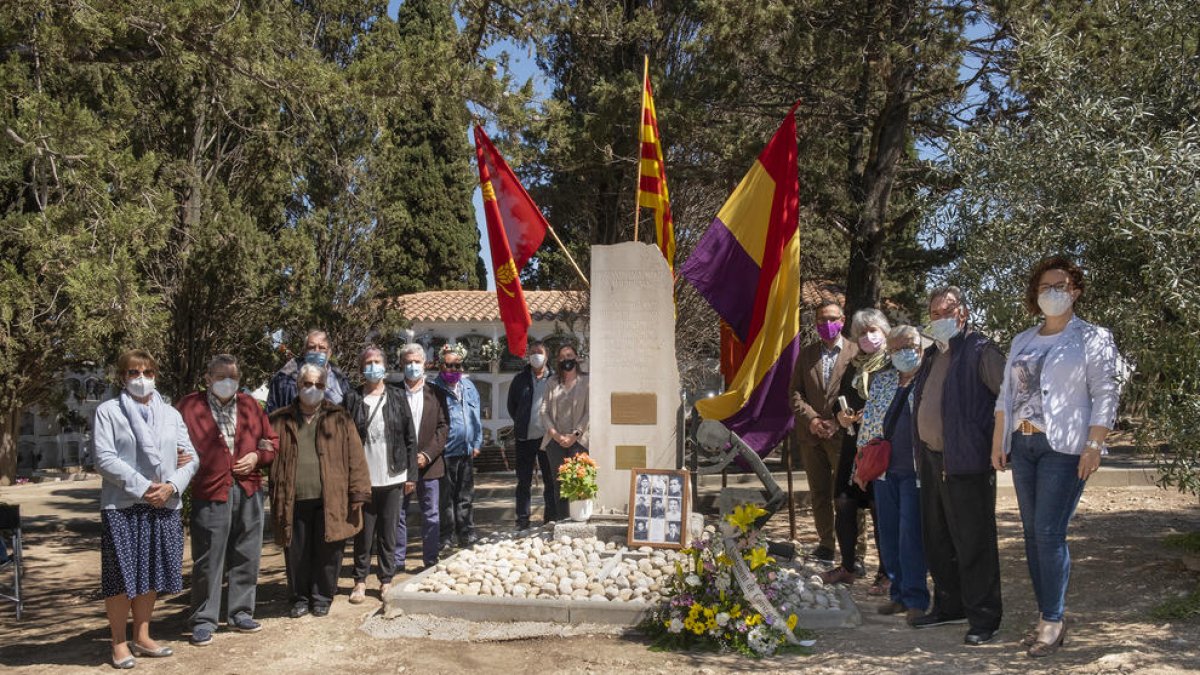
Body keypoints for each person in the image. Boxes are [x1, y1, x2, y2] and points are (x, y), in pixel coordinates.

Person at [992, 256, 1121, 657]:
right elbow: (1005, 396)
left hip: (1063, 448)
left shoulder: (1093, 337)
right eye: (1045, 287)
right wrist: (999, 440)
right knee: (1033, 535)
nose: (1052, 293)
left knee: (1048, 532)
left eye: (1060, 285)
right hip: (1024, 444)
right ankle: (1046, 615)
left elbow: (1106, 393)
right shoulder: (1022, 340)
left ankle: (1053, 619)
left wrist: (1095, 444)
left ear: (1075, 290)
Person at [910, 286, 1006, 646]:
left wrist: (996, 443)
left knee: (974, 541)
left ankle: (984, 618)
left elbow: (1008, 395)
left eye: (947, 310)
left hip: (967, 463)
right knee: (937, 538)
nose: (940, 318)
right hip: (933, 461)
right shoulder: (933, 355)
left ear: (962, 313)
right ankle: (950, 606)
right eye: (934, 313)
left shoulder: (981, 350)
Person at [93, 349, 199, 668]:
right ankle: (118, 642)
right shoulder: (108, 412)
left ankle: (143, 634)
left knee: (150, 572)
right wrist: (143, 486)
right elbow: (104, 458)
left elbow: (190, 456)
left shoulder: (171, 414)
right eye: (134, 373)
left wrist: (171, 486)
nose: (142, 379)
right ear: (122, 377)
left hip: (163, 503)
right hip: (124, 504)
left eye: (148, 373)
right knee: (122, 577)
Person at [177, 354, 278, 647]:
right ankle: (203, 619)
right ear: (208, 378)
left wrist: (257, 456)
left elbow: (271, 441)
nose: (227, 382)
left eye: (232, 377)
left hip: (248, 489)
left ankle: (240, 612)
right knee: (208, 559)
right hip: (210, 491)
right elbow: (172, 444)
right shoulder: (189, 406)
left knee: (247, 552)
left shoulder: (250, 405)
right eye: (221, 377)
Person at [268, 363, 371, 618]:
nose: (312, 389)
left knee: (329, 551)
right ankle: (300, 597)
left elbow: (356, 457)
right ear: (298, 385)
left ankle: (322, 595)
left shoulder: (340, 417)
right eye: (307, 383)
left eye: (318, 384)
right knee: (297, 551)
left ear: (325, 388)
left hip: (330, 497)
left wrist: (358, 492)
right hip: (293, 497)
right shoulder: (280, 419)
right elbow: (265, 454)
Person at [862, 326, 930, 625]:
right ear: (889, 352)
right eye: (897, 347)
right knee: (888, 536)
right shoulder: (882, 381)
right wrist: (859, 469)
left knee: (910, 536)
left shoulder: (929, 380)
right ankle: (898, 595)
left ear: (921, 347)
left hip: (917, 472)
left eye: (910, 345)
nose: (904, 351)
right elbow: (868, 425)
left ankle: (916, 598)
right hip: (883, 472)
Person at [343, 346, 418, 604]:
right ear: (362, 368)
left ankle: (386, 581)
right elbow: (345, 440)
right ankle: (360, 582)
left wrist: (412, 475)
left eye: (377, 361)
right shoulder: (351, 398)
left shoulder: (397, 397)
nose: (373, 366)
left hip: (394, 477)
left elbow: (410, 438)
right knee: (363, 534)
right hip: (364, 479)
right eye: (368, 362)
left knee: (389, 533)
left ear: (385, 366)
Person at [823, 308, 891, 587]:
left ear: (884, 332)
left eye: (873, 330)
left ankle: (887, 572)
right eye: (862, 332)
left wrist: (873, 414)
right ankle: (848, 566)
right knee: (844, 502)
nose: (868, 336)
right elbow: (840, 398)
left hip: (881, 447)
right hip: (853, 446)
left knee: (880, 508)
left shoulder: (892, 362)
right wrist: (841, 416)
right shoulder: (854, 365)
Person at [791, 299, 860, 563]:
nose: (826, 324)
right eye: (821, 320)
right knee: (819, 493)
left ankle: (855, 551)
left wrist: (835, 421)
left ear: (843, 320)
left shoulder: (855, 353)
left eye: (832, 319)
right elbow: (795, 393)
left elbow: (860, 393)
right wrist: (812, 420)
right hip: (811, 436)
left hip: (843, 434)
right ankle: (826, 544)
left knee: (848, 494)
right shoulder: (806, 354)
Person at [394, 344, 450, 571]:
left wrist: (426, 455)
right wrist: (406, 457)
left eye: (416, 361)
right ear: (401, 364)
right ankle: (397, 561)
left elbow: (443, 427)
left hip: (430, 465)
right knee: (398, 513)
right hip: (399, 465)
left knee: (431, 513)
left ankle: (430, 559)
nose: (412, 366)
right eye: (408, 362)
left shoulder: (437, 393)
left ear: (425, 363)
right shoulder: (393, 392)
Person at [431, 344, 482, 550]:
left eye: (457, 365)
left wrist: (477, 442)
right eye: (449, 365)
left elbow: (476, 416)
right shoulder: (433, 389)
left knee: (465, 496)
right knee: (445, 499)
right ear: (441, 366)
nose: (453, 369)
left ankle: (466, 533)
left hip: (466, 450)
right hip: (445, 453)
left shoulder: (469, 387)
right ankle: (446, 537)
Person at [506, 341, 557, 528]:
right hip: (524, 438)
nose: (536, 355)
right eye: (533, 352)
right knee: (523, 481)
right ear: (528, 356)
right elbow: (512, 406)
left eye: (540, 352)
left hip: (548, 439)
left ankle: (551, 517)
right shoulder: (519, 379)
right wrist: (521, 422)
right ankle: (522, 519)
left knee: (550, 481)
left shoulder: (554, 379)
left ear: (547, 356)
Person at [539, 343, 589, 517]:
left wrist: (575, 435)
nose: (566, 360)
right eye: (562, 357)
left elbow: (590, 412)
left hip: (579, 441)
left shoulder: (587, 381)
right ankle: (562, 520)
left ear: (576, 358)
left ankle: (578, 519)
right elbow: (544, 410)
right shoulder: (552, 382)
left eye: (569, 356)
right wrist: (555, 434)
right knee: (559, 482)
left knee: (578, 480)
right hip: (555, 441)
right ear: (558, 361)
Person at [266, 329, 351, 413]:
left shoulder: (341, 381)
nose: (316, 351)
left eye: (322, 348)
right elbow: (272, 417)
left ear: (329, 353)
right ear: (304, 351)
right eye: (311, 347)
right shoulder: (284, 380)